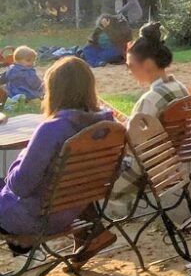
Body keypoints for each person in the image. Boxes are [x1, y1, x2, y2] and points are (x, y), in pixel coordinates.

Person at [0, 57, 116, 263]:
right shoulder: (107, 127)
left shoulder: (52, 129)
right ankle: (24, 257)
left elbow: (19, 186)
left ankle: (21, 258)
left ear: (55, 90)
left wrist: (21, 157)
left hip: (35, 218)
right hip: (69, 212)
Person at [127, 22, 188, 119]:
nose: (130, 72)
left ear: (148, 64)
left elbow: (134, 133)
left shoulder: (149, 101)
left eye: (131, 66)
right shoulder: (181, 88)